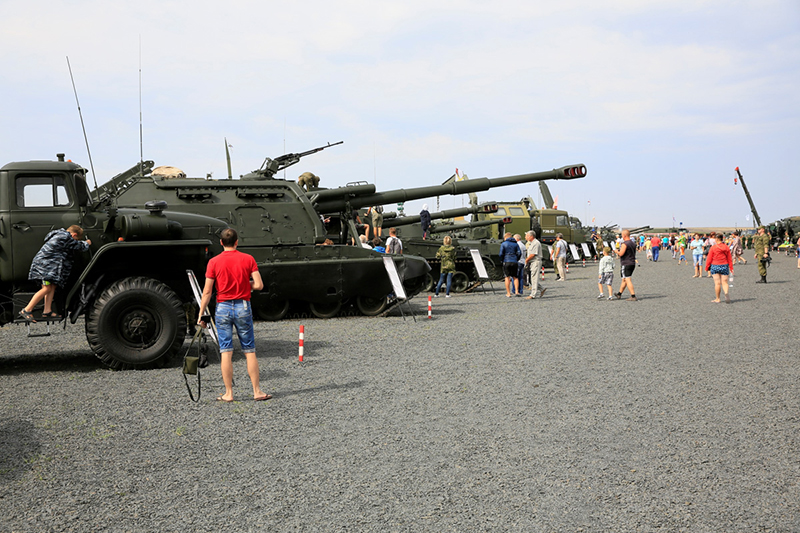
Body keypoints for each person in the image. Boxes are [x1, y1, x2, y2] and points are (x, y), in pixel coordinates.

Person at [198, 228, 270, 402]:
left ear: (221, 243)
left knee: (226, 351)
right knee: (249, 350)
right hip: (243, 306)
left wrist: (201, 314)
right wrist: (245, 285)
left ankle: (228, 393)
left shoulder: (214, 262)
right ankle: (257, 391)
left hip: (222, 307)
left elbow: (207, 291)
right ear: (237, 242)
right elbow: (259, 285)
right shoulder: (248, 259)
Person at [19, 225, 91, 322]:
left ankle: (47, 311)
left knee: (52, 286)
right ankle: (26, 310)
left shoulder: (59, 235)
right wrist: (86, 243)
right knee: (46, 288)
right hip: (45, 267)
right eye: (76, 239)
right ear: (74, 235)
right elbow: (79, 246)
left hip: (48, 267)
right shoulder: (65, 237)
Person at [706, 235, 733, 303]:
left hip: (715, 265)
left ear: (717, 239)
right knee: (724, 282)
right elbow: (729, 258)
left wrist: (707, 267)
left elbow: (709, 258)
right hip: (724, 265)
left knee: (717, 283)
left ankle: (718, 298)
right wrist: (731, 267)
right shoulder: (726, 247)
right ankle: (726, 293)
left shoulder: (713, 247)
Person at [613, 229, 637, 301]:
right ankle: (619, 294)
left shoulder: (625, 244)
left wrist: (616, 251)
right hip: (632, 262)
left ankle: (633, 296)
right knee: (624, 279)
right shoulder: (633, 243)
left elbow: (621, 254)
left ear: (624, 235)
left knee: (627, 279)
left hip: (626, 263)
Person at [524, 230, 547, 299]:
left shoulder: (536, 243)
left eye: (527, 235)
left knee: (534, 278)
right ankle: (542, 289)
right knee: (532, 278)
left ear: (531, 236)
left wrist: (526, 260)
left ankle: (533, 294)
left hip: (535, 262)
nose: (525, 237)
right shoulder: (531, 243)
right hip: (532, 262)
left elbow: (533, 254)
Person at [499, 232, 521, 297]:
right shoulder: (516, 244)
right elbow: (519, 253)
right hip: (514, 261)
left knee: (507, 277)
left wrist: (502, 260)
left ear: (505, 237)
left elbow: (501, 254)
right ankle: (517, 291)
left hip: (506, 261)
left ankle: (508, 293)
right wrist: (516, 259)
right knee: (515, 277)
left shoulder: (503, 244)